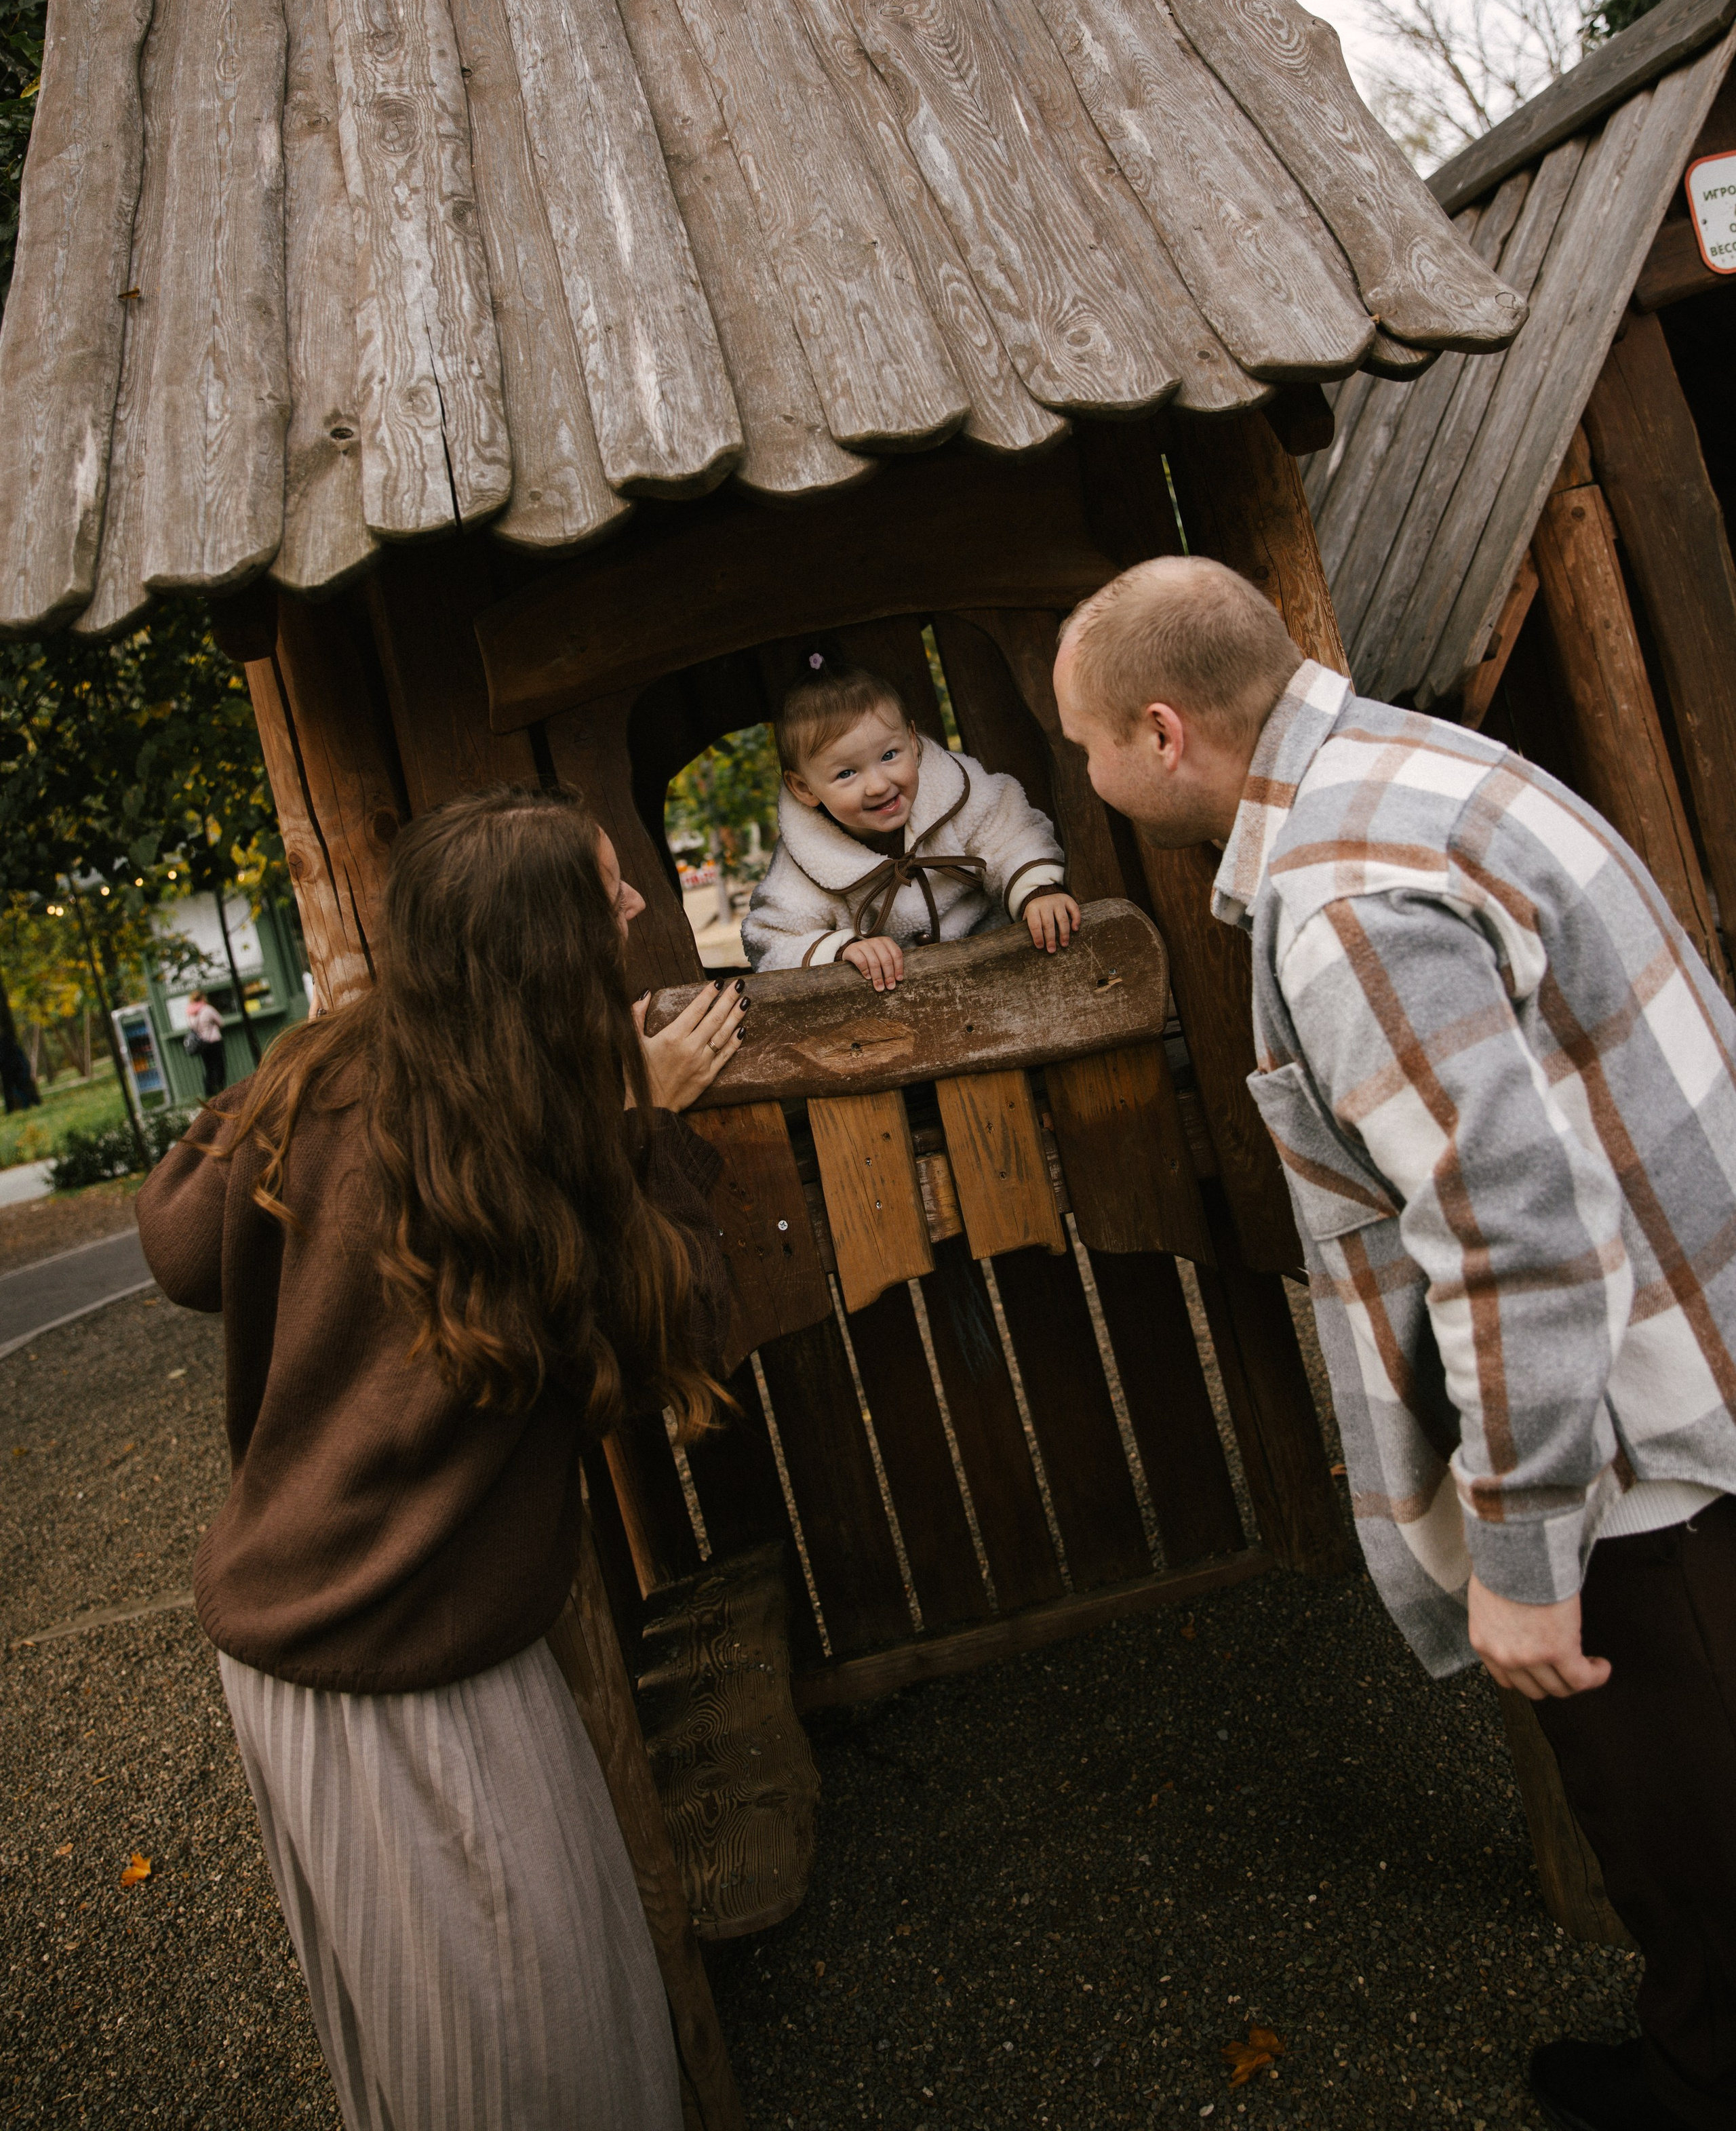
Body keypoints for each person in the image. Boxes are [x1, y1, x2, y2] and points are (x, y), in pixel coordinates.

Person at [1053, 555, 1736, 2131]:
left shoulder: (1339, 899)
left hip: (1625, 1446)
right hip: (1699, 1352)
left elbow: (1509, 1239)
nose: (1083, 774)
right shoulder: (1415, 762)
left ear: (1161, 734)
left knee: (1680, 1822)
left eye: (1083, 742)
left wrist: (1518, 1549)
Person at [136, 786, 749, 2131]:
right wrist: (642, 1125)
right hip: (404, 1660)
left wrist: (305, 1047)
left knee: (433, 2047)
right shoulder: (527, 1146)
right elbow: (673, 1334)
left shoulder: (332, 1074)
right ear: (544, 948)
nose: (639, 899)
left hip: (290, 1636)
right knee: (526, 2062)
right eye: (607, 888)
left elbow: (180, 1240)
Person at [743, 646, 1080, 987]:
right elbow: (772, 944)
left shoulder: (957, 793)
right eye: (846, 774)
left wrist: (1038, 893)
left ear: (914, 742)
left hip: (1004, 967)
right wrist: (840, 949)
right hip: (893, 1006)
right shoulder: (804, 861)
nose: (877, 785)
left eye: (889, 755)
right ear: (804, 788)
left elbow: (1012, 835)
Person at [184, 990, 227, 1100]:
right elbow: (221, 1022)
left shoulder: (189, 1012)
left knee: (208, 1067)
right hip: (214, 1041)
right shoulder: (208, 1009)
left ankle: (209, 1092)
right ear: (203, 997)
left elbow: (192, 1027)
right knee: (218, 1065)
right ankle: (220, 1089)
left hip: (201, 1044)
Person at [1, 1027, 41, 1113]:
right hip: (18, 1070)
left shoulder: (5, 1043)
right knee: (21, 1090)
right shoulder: (9, 1042)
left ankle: (29, 1104)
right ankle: (31, 1103)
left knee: (20, 1090)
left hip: (15, 1071)